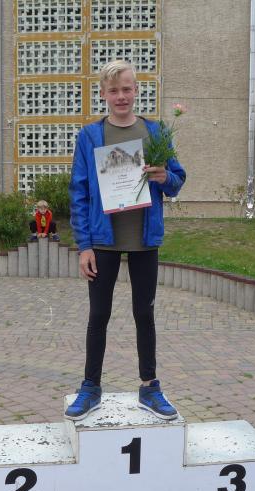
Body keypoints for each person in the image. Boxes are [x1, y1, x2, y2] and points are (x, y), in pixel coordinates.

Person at [65, 59, 186, 421]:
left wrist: (165, 177)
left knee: (144, 313)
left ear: (136, 91)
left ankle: (149, 387)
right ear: (103, 94)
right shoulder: (90, 136)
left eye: (127, 89)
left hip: (144, 239)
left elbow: (176, 180)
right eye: (114, 90)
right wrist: (84, 245)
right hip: (103, 240)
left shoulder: (156, 132)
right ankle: (90, 387)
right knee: (98, 314)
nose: (121, 96)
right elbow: (79, 192)